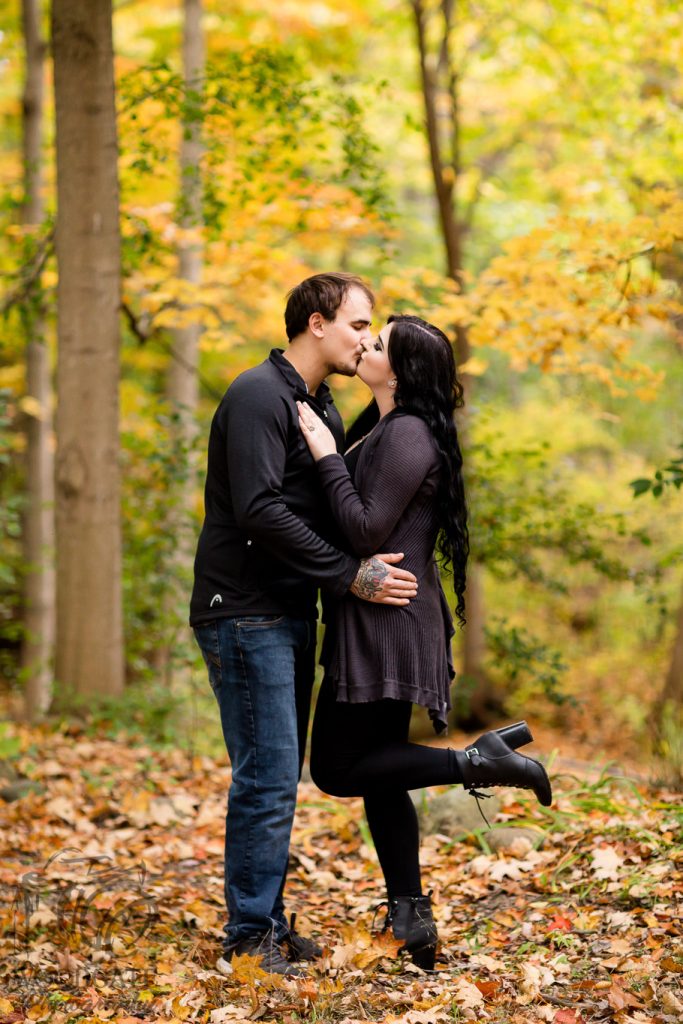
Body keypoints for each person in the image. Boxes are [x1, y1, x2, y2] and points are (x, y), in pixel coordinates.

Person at [297, 314, 552, 970]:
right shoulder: (382, 427)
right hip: (376, 617)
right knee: (381, 769)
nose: (364, 346)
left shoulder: (407, 434)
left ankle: (477, 762)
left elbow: (361, 530)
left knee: (335, 767)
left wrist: (326, 456)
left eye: (376, 343)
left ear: (401, 372)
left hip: (390, 622)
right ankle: (411, 919)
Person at [190, 274, 420, 977]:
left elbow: (332, 502)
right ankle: (247, 938)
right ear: (316, 324)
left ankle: (264, 922)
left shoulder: (316, 403)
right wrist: (350, 574)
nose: (365, 338)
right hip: (244, 609)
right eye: (357, 325)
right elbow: (259, 509)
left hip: (290, 609)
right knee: (264, 777)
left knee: (277, 775)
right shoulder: (259, 394)